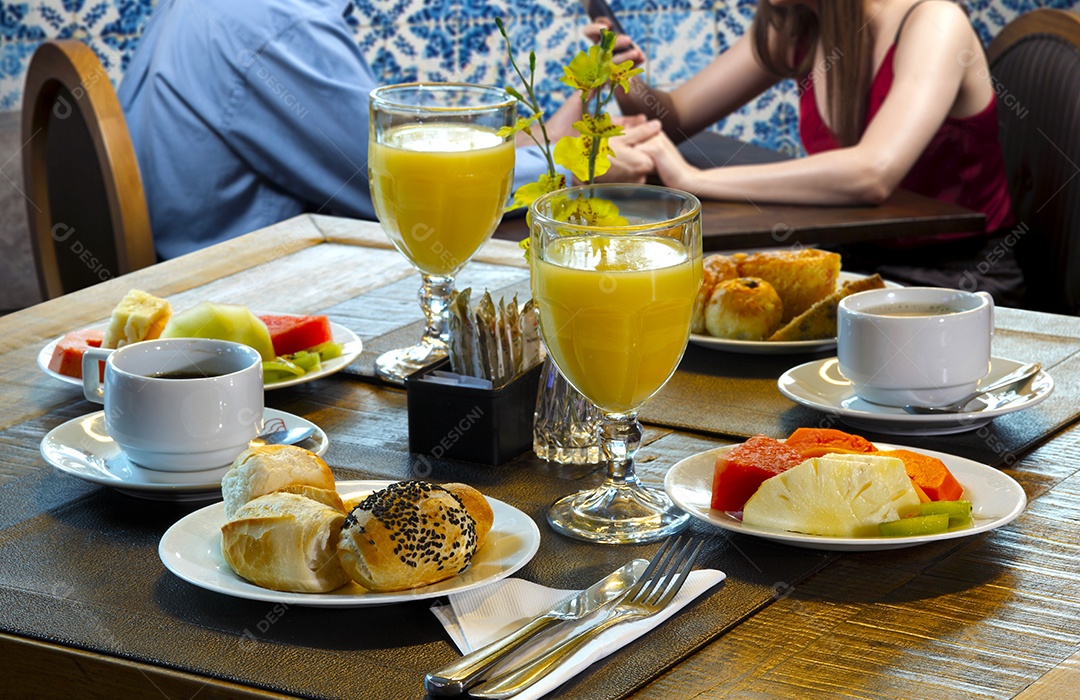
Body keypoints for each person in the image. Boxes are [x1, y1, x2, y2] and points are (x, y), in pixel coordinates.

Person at [118, 0, 659, 260]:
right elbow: (401, 188)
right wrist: (575, 167)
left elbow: (416, 149)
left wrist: (569, 124)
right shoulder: (276, 24)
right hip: (250, 292)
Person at [591, 0, 1025, 306]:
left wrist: (692, 180)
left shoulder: (935, 21)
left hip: (958, 278)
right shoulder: (799, 25)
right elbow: (676, 114)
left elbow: (873, 172)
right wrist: (620, 71)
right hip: (852, 265)